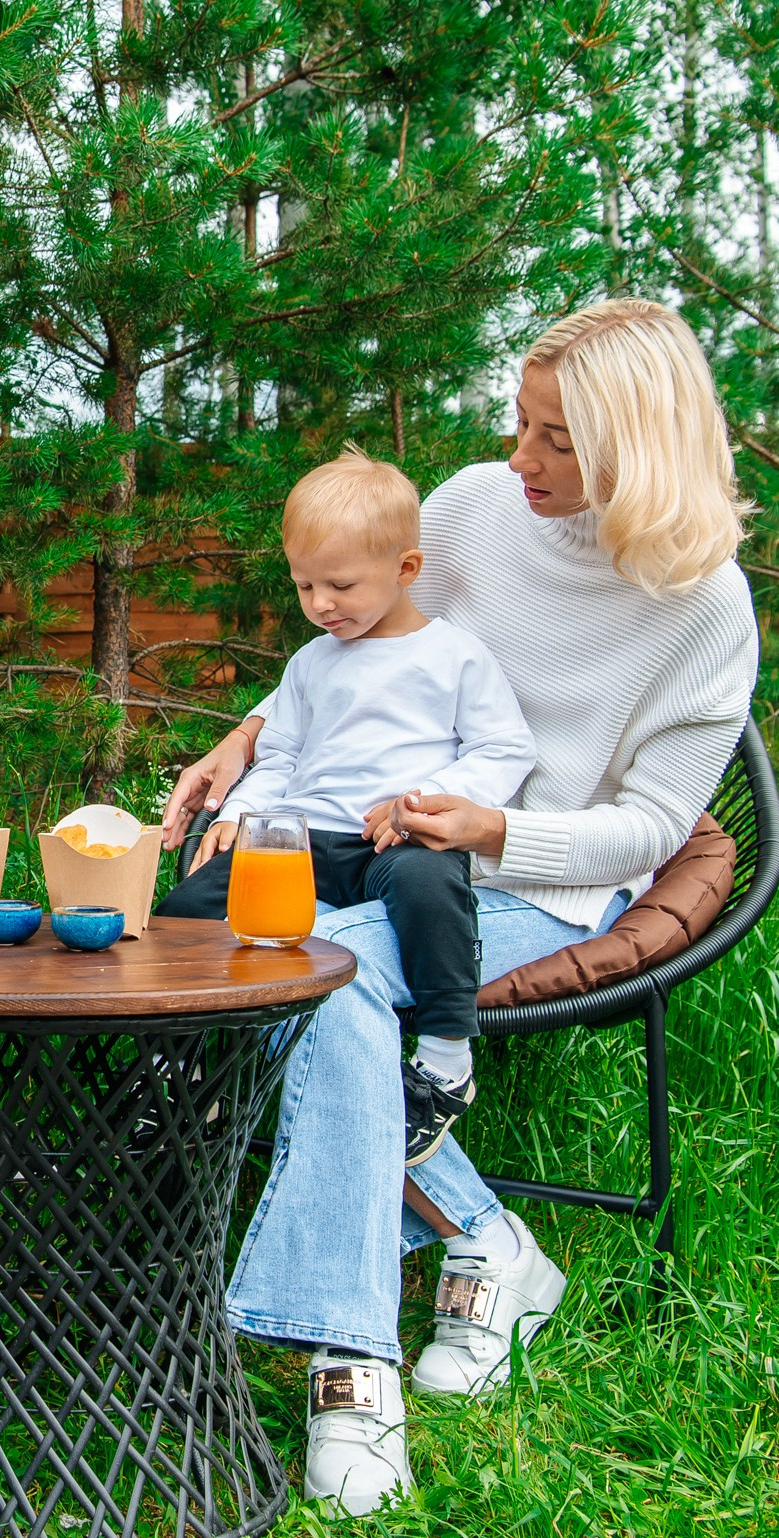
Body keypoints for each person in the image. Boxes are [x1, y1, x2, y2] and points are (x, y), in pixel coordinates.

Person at [159, 300, 759, 1516]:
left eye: (555, 443)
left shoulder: (705, 609)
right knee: (284, 959)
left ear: (637, 454)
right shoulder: (477, 508)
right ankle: (483, 1242)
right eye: (520, 426)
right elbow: (362, 646)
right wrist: (246, 742)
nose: (517, 462)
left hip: (545, 886)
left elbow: (651, 828)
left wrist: (495, 828)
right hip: (371, 858)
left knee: (316, 979)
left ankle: (351, 1364)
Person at [166, 449, 537, 1164]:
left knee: (435, 889)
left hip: (392, 841)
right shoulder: (310, 663)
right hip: (302, 839)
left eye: (339, 584)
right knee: (191, 907)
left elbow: (504, 750)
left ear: (406, 569)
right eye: (304, 585)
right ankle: (184, 1061)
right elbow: (283, 757)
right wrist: (244, 816)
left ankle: (445, 1058)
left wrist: (424, 803)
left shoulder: (455, 657)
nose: (320, 604)